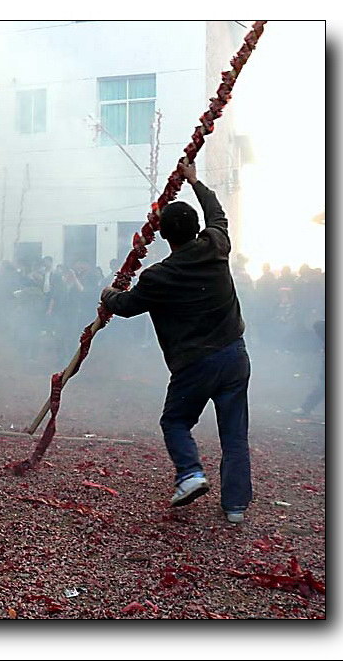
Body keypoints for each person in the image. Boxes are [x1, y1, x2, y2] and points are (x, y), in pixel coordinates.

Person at [100, 159, 251, 524]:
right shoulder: (216, 245)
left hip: (194, 365)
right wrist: (195, 182)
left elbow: (127, 305)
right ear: (196, 229)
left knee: (175, 421)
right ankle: (234, 508)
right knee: (234, 435)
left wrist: (108, 294)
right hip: (234, 355)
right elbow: (217, 214)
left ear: (165, 237)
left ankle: (190, 473)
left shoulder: (158, 277)